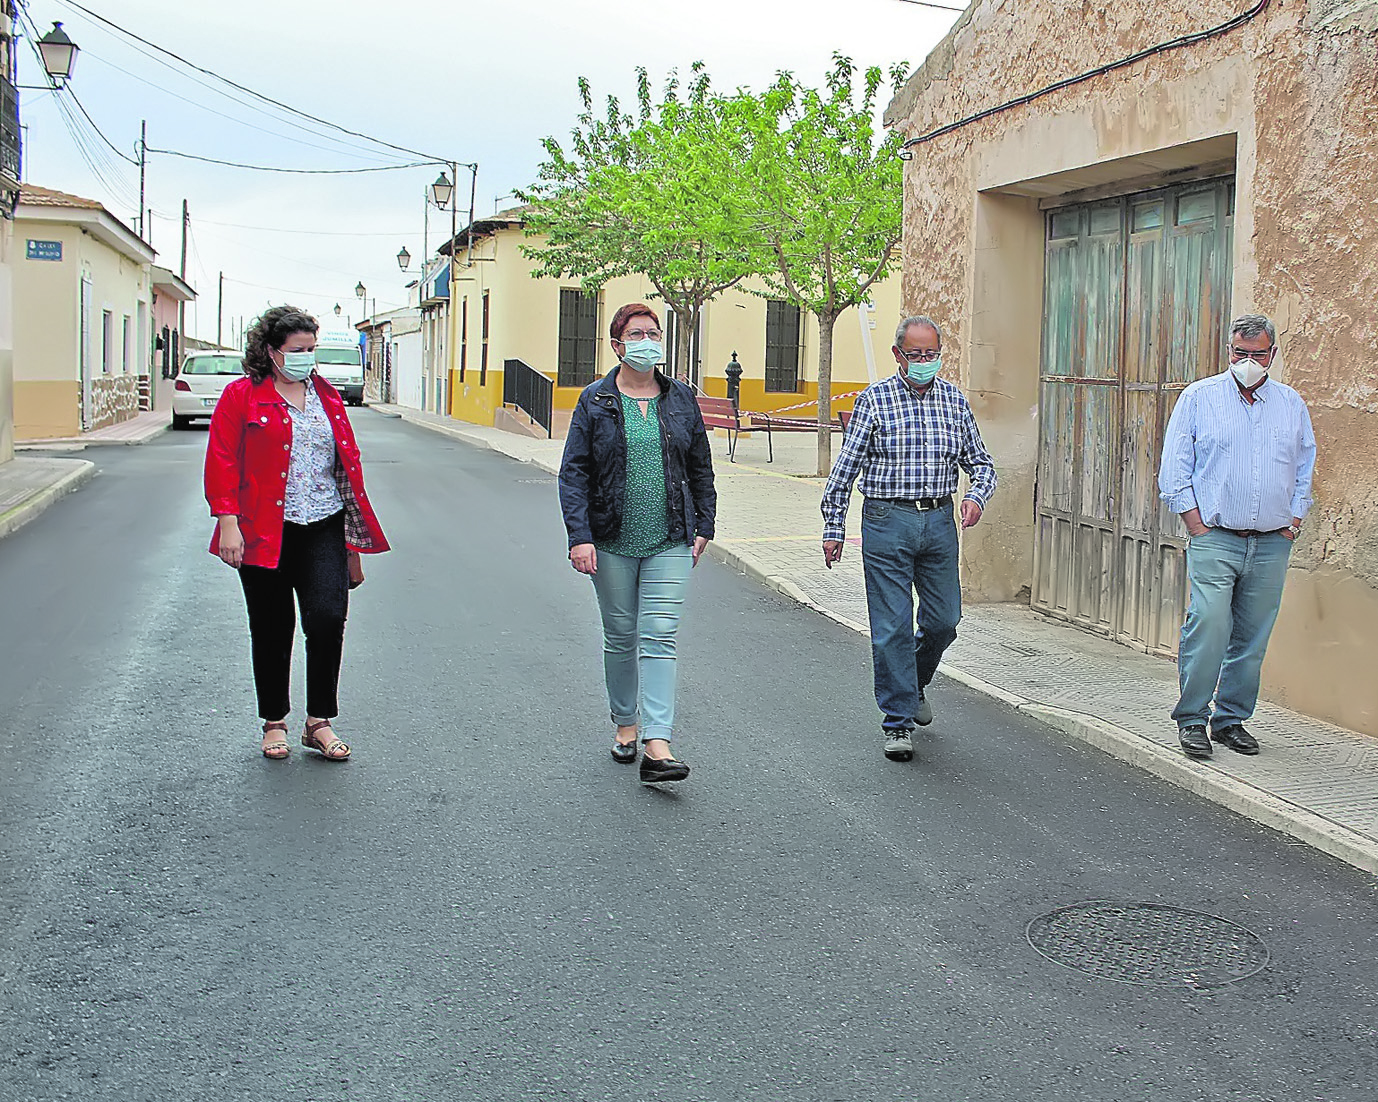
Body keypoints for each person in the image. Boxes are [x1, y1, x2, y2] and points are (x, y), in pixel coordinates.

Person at [205, 306, 389, 761]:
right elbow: (222, 458)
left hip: (323, 524)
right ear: (271, 351)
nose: (307, 358)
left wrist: (353, 547)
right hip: (263, 530)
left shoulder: (326, 396)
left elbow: (346, 468)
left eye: (312, 349)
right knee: (272, 626)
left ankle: (319, 722)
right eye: (298, 350)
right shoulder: (241, 396)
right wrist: (227, 522)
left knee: (328, 618)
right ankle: (273, 722)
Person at [821, 316, 997, 763]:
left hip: (938, 520)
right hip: (886, 520)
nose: (924, 362)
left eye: (931, 354)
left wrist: (976, 495)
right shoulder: (874, 401)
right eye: (915, 355)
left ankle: (914, 681)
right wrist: (834, 525)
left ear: (941, 354)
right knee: (892, 627)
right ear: (898, 355)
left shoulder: (954, 402)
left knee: (944, 620)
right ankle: (897, 721)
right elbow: (845, 468)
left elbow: (982, 463)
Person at [559, 302, 717, 784]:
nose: (648, 341)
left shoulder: (681, 399)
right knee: (621, 635)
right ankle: (625, 725)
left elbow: (700, 467)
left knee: (660, 634)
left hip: (670, 536)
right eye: (637, 334)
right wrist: (579, 536)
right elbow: (574, 472)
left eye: (653, 333)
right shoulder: (595, 400)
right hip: (610, 540)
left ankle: (658, 743)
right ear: (617, 345)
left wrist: (704, 524)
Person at [1158, 313, 1316, 759]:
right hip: (1216, 537)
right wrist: (1195, 523)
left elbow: (1305, 465)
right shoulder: (1199, 398)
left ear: (1273, 354)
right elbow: (1175, 467)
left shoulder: (1290, 404)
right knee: (1208, 624)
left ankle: (1232, 720)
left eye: (1257, 353)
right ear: (1229, 351)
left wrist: (1293, 521)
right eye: (1239, 353)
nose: (1248, 361)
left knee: (1252, 634)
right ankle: (1192, 719)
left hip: (1270, 541)